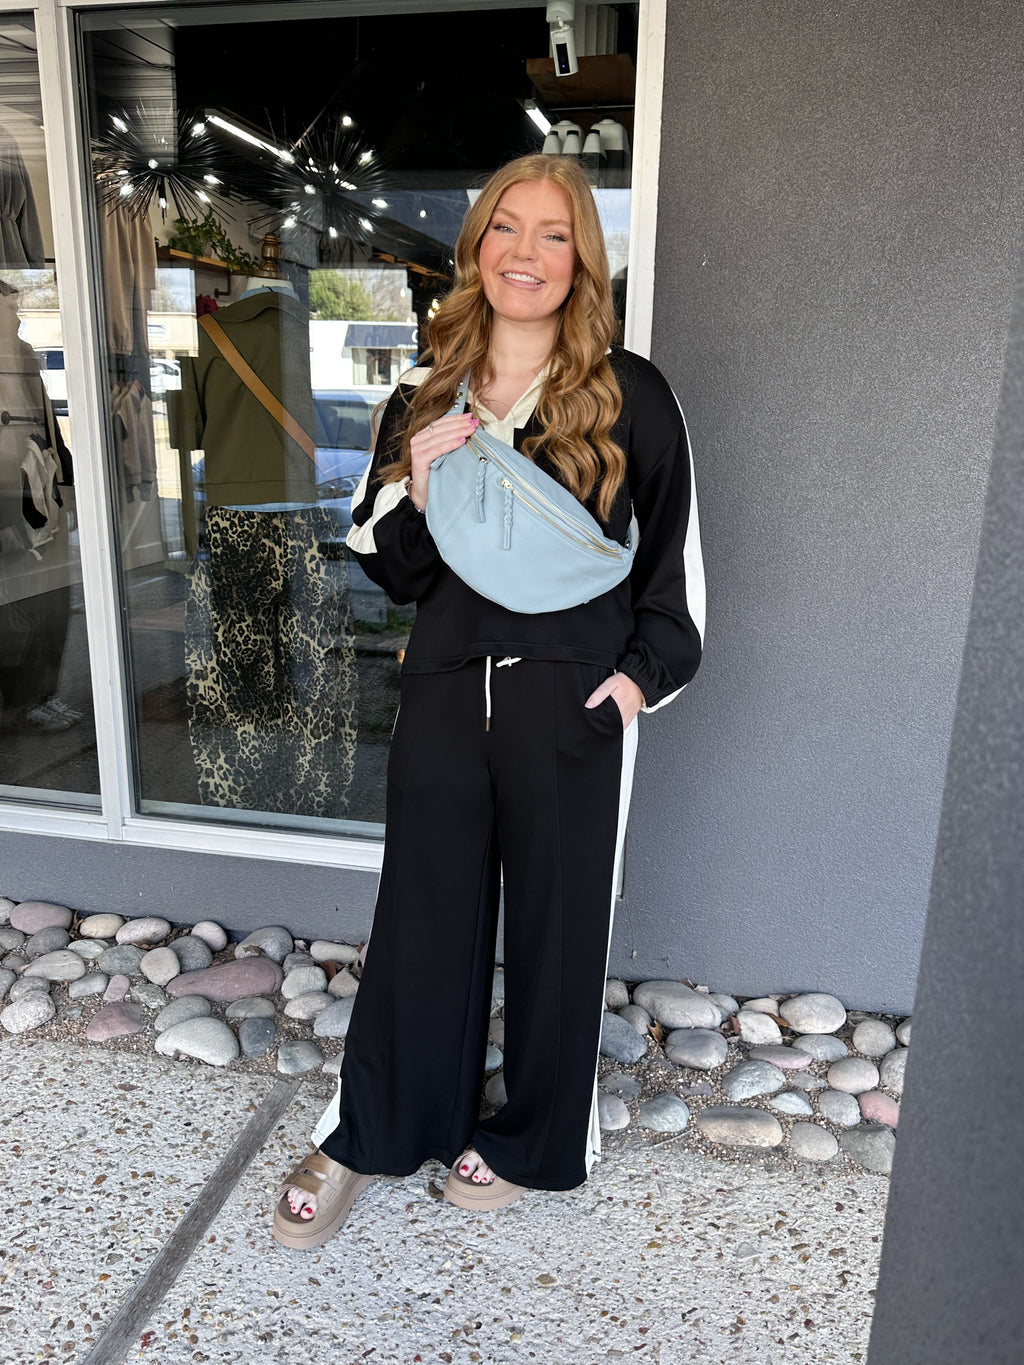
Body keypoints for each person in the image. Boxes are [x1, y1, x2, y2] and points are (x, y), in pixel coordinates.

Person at [274, 153, 705, 1250]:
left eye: (552, 233)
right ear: (474, 249)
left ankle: (536, 1141)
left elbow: (674, 581)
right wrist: (417, 484)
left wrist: (628, 687)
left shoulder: (632, 395)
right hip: (441, 696)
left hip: (568, 702)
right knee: (420, 921)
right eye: (504, 229)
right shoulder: (421, 393)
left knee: (559, 932)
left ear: (581, 260)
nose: (524, 252)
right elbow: (400, 574)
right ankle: (379, 1127)